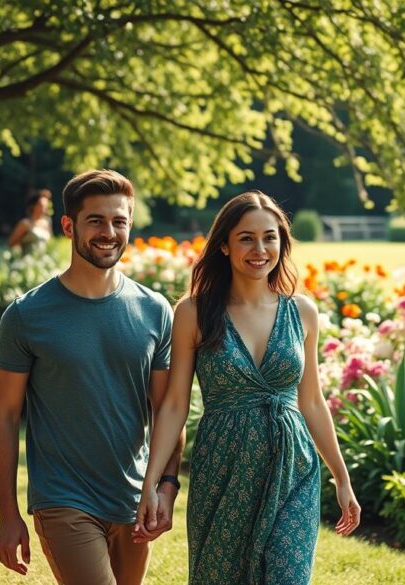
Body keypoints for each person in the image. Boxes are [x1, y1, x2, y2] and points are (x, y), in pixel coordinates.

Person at [135, 190, 361, 584]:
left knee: (287, 577)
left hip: (293, 466)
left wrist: (342, 479)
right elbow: (174, 406)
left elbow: (311, 402)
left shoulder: (302, 312)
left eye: (269, 237)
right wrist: (152, 483)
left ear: (281, 243)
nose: (260, 249)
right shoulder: (193, 312)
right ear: (224, 245)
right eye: (246, 238)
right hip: (223, 466)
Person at [0, 170, 184, 585]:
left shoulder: (155, 310)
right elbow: (4, 416)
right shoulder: (27, 316)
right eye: (95, 220)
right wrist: (8, 513)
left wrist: (166, 486)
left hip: (134, 499)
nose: (108, 232)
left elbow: (167, 408)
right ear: (68, 225)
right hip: (63, 499)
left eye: (119, 221)